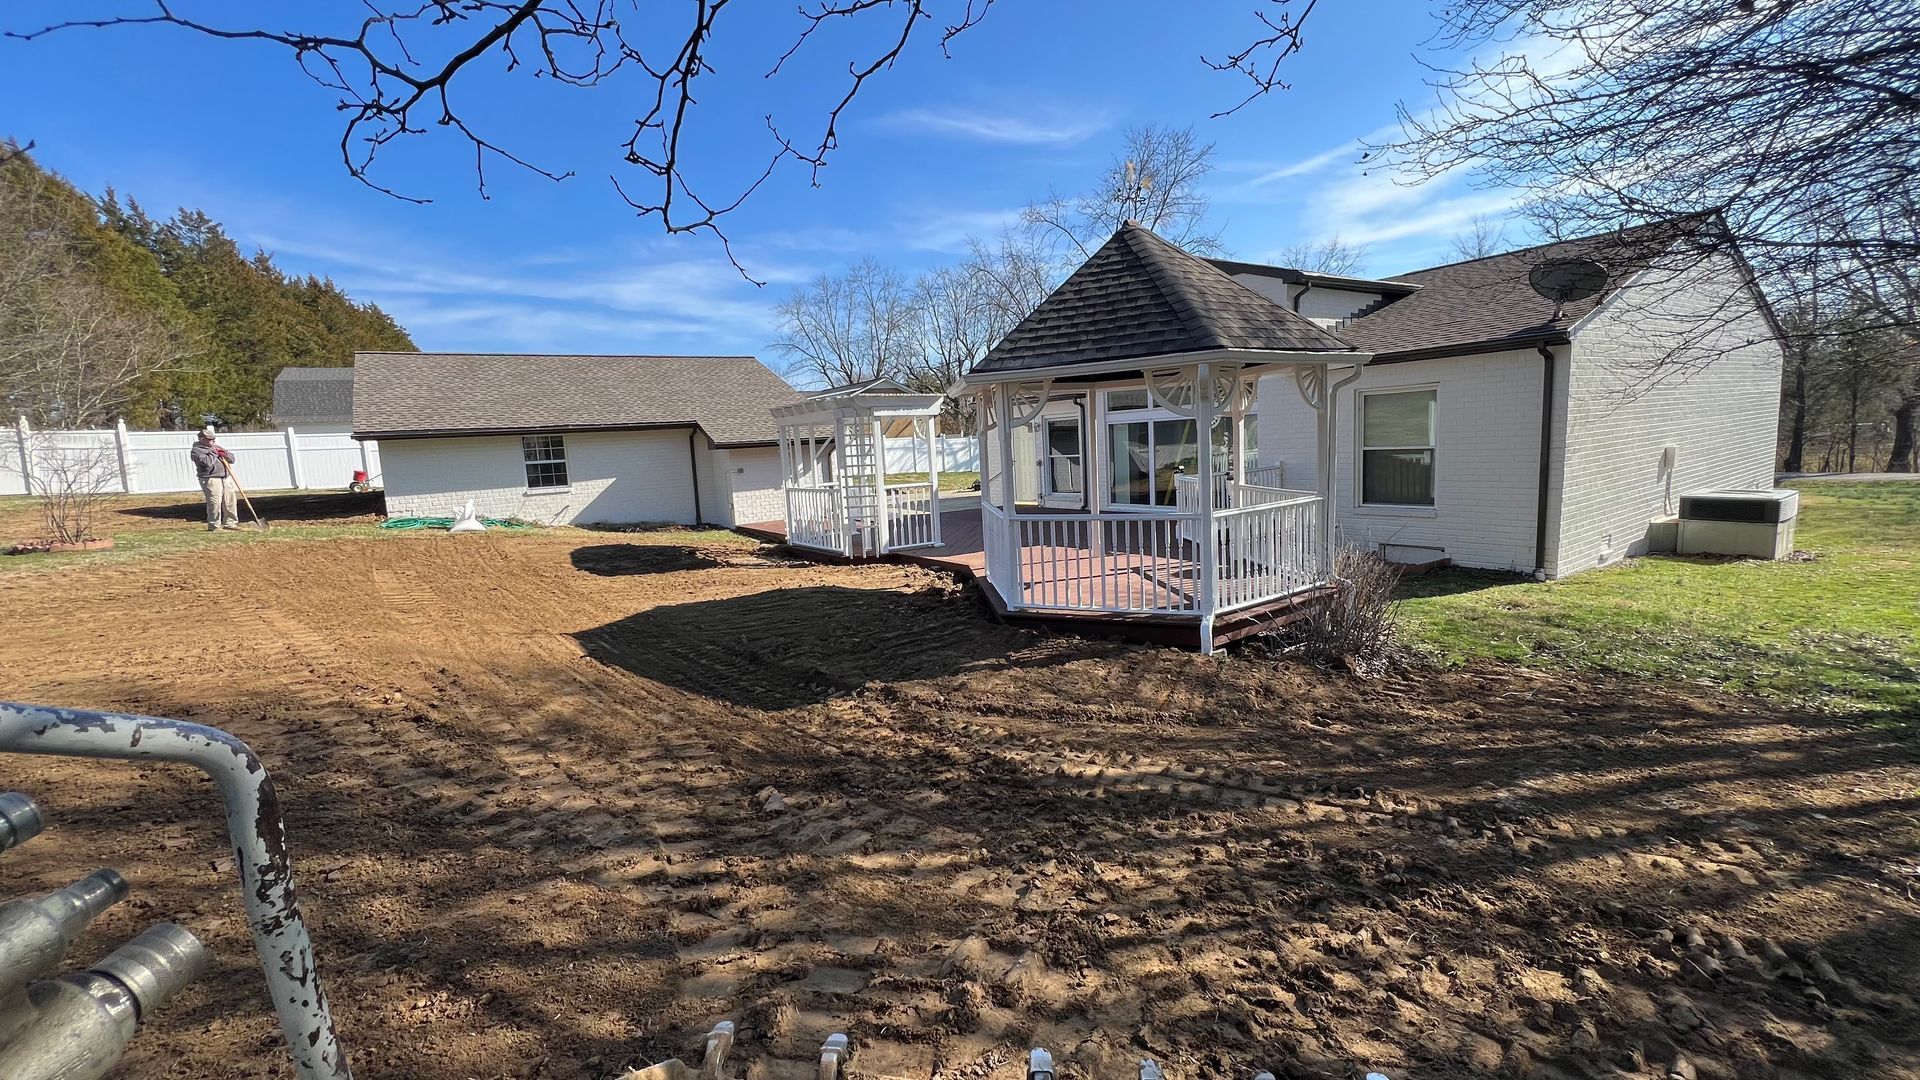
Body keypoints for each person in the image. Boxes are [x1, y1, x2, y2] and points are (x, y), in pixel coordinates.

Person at [190, 427, 240, 531]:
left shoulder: (216, 447)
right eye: (210, 439)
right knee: (215, 502)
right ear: (202, 439)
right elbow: (207, 463)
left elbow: (232, 459)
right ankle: (214, 525)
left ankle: (230, 523)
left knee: (230, 500)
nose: (213, 441)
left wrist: (225, 454)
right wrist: (214, 452)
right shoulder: (196, 451)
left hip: (225, 477)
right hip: (211, 479)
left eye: (213, 439)